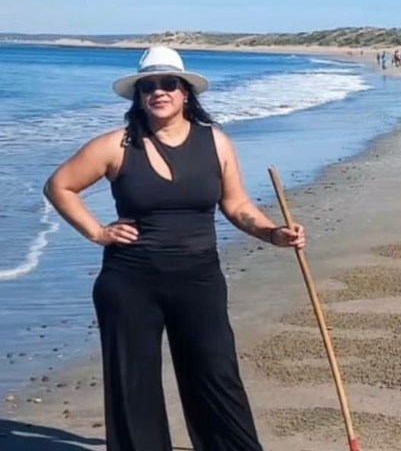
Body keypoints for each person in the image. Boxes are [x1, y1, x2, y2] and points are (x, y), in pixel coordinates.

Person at [43, 46, 306, 451]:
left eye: (169, 84)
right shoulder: (116, 146)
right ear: (139, 96)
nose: (159, 92)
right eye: (149, 86)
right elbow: (60, 185)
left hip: (199, 279)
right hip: (130, 282)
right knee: (134, 386)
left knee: (216, 375)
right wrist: (97, 232)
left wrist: (273, 233)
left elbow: (236, 205)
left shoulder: (215, 143)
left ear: (186, 92)